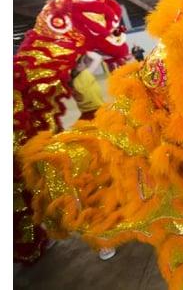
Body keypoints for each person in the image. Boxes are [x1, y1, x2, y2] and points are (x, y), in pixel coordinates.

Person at [70, 52, 117, 260]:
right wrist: (88, 42)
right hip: (98, 119)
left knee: (99, 172)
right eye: (82, 61)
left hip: (85, 120)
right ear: (79, 65)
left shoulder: (72, 82)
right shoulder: (84, 77)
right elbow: (97, 58)